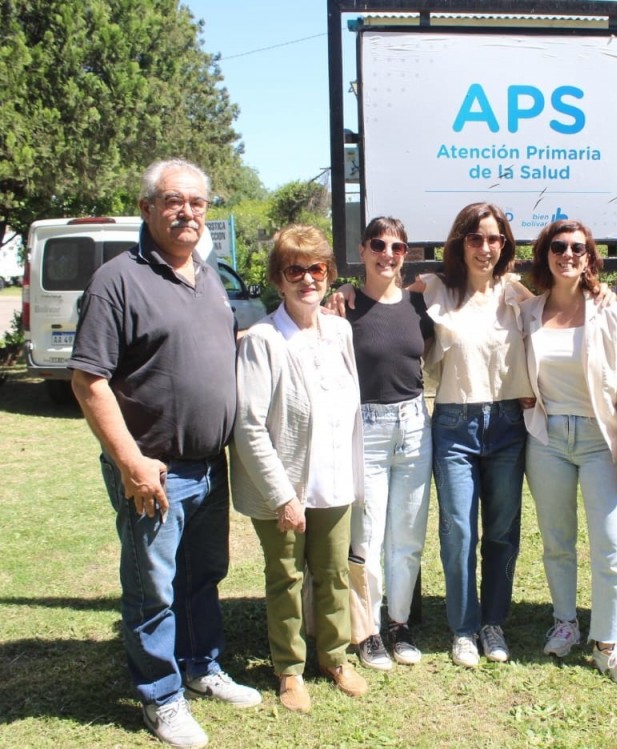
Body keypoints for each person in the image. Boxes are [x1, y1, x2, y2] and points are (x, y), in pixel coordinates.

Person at [69, 158, 261, 749]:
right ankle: (161, 696)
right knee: (151, 587)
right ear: (149, 207)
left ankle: (201, 666)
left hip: (208, 464)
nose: (187, 212)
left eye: (197, 203)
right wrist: (130, 461)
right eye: (174, 201)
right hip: (153, 469)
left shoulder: (205, 276)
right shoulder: (118, 280)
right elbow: (88, 380)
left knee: (202, 575)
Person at [231, 224, 367, 713]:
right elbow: (248, 425)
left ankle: (334, 657)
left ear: (328, 274)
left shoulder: (340, 331)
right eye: (295, 270)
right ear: (278, 278)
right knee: (285, 577)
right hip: (284, 485)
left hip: (334, 480)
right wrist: (282, 495)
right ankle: (289, 671)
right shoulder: (263, 340)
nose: (308, 279)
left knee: (333, 573)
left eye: (317, 268)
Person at [521, 219, 617, 688]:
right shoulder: (528, 309)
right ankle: (566, 621)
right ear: (546, 254)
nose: (568, 254)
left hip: (601, 440)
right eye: (558, 246)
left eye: (578, 248)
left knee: (612, 547)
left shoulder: (608, 309)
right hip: (548, 439)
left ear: (590, 257)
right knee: (557, 542)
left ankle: (610, 645)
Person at [421, 202, 534, 667]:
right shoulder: (436, 289)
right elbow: (379, 291)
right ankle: (464, 628)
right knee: (459, 531)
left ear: (504, 244)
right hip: (454, 424)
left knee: (503, 531)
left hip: (508, 424)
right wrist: (342, 293)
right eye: (476, 238)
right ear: (459, 242)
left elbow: (566, 311)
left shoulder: (516, 292)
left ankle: (493, 624)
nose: (485, 247)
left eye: (495, 239)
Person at [346, 217, 434, 671]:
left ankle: (399, 624)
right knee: (367, 535)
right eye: (379, 244)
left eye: (398, 247)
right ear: (362, 250)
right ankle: (368, 629)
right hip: (368, 427)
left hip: (416, 426)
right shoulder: (343, 305)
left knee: (408, 536)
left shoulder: (418, 304)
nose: (388, 253)